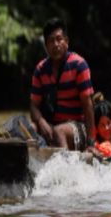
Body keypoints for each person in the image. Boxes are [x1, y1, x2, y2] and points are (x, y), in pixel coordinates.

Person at [29, 18, 96, 150]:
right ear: (46, 46)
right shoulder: (40, 69)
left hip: (78, 127)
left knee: (59, 131)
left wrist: (91, 142)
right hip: (51, 124)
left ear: (67, 41)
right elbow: (33, 106)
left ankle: (64, 169)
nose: (56, 44)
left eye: (59, 39)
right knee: (29, 128)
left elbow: (88, 106)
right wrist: (41, 121)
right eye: (51, 41)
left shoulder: (79, 65)